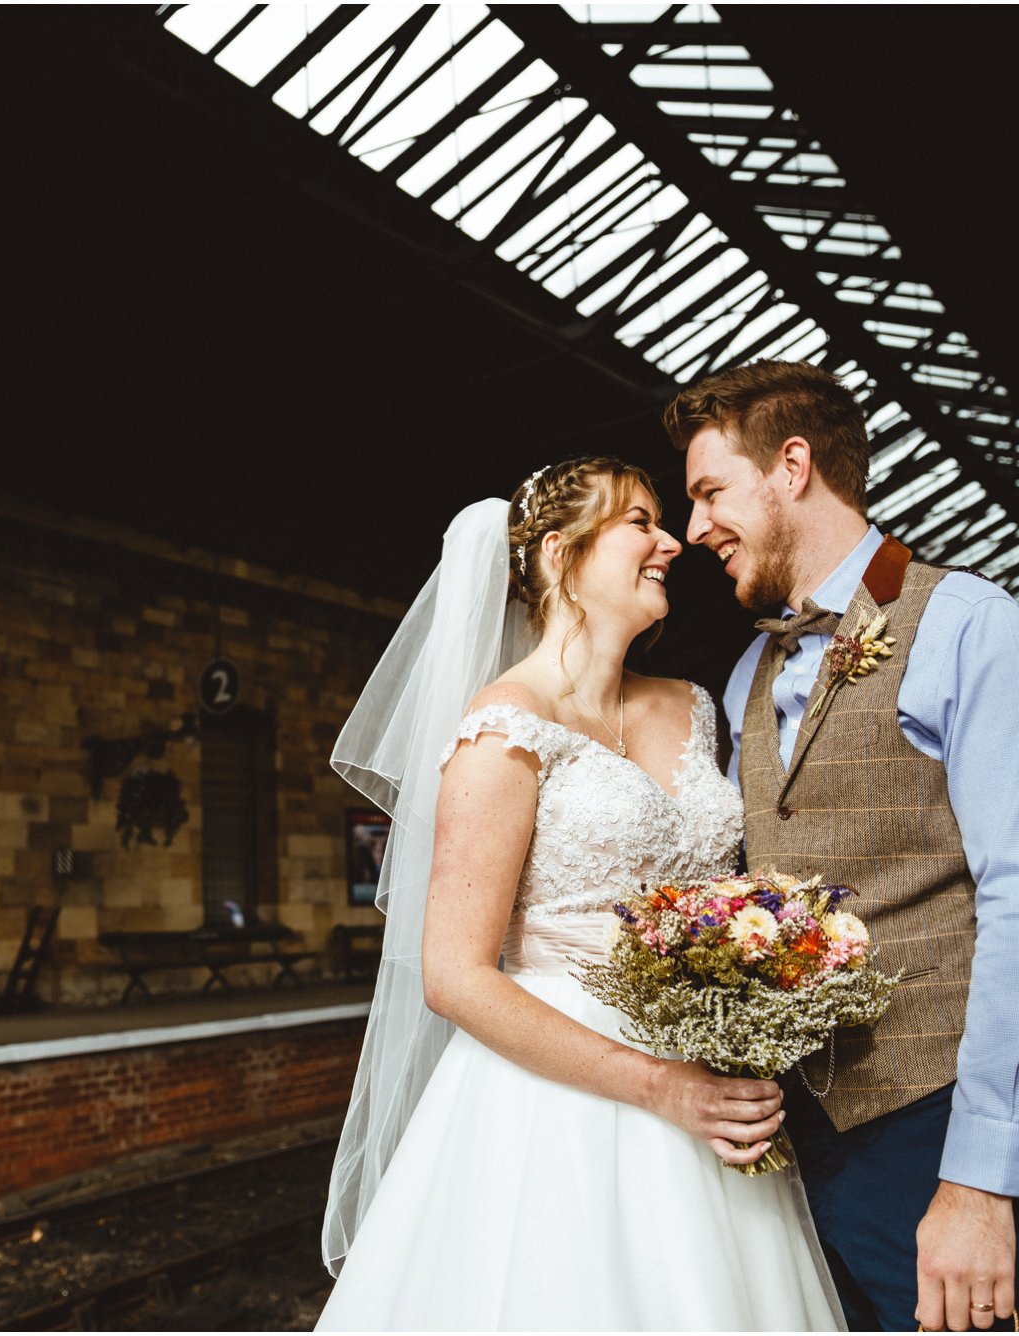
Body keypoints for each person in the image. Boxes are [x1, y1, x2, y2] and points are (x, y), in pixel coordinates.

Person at [316, 459, 843, 1330]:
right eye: (641, 521)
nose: (672, 541)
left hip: (710, 1076)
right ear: (561, 553)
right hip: (556, 1105)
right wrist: (661, 1088)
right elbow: (453, 974)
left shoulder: (694, 707)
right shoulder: (505, 727)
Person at [669, 360, 1019, 1332]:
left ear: (790, 465)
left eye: (707, 491)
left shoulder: (967, 624)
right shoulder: (745, 672)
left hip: (939, 1135)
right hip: (802, 1153)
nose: (694, 528)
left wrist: (978, 1184)